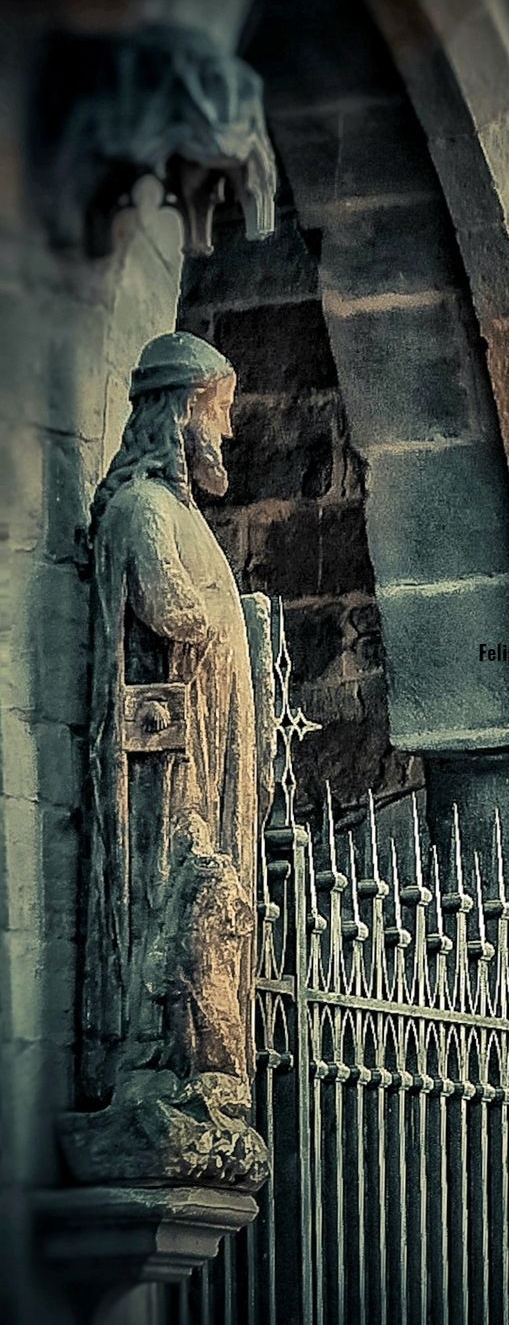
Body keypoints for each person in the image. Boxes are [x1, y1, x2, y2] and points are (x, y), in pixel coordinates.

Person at [83, 330, 259, 1105]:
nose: (226, 430)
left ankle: (199, 1057)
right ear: (184, 408)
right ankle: (150, 1053)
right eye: (218, 411)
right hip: (167, 751)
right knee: (171, 888)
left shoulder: (189, 519)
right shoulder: (142, 507)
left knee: (206, 891)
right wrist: (232, 614)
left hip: (206, 739)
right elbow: (169, 608)